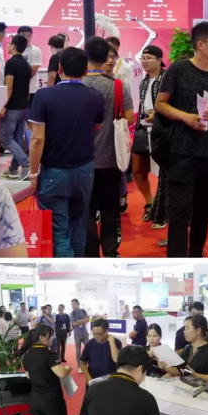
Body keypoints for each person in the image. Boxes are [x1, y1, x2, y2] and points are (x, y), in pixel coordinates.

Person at [156, 21, 208, 258]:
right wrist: (185, 116)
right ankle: (175, 259)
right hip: (181, 150)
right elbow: (160, 104)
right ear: (201, 44)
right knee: (180, 209)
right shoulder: (179, 69)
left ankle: (196, 254)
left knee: (203, 209)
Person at [28, 47, 105, 257]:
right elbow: (97, 126)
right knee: (78, 225)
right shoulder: (95, 97)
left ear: (60, 68)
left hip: (54, 171)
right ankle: (76, 265)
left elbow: (37, 138)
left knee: (58, 231)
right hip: (85, 169)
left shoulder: (44, 95)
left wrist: (33, 173)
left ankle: (65, 270)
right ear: (85, 70)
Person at [82, 37, 135, 258]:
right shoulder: (118, 86)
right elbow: (129, 118)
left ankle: (90, 253)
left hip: (82, 160)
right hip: (111, 157)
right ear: (106, 57)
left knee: (86, 210)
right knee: (110, 208)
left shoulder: (79, 85)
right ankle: (111, 251)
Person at [16, 325, 72, 415]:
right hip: (52, 398)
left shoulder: (27, 356)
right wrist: (68, 368)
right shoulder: (49, 355)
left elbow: (28, 376)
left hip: (35, 397)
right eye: (50, 335)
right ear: (42, 338)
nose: (52, 338)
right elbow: (61, 373)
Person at [135, 46, 166, 223]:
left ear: (159, 60)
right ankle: (150, 202)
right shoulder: (143, 82)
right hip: (142, 129)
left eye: (148, 58)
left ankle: (163, 208)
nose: (145, 61)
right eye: (143, 58)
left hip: (161, 131)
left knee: (163, 172)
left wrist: (158, 116)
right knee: (138, 170)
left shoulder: (167, 80)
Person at [0, 34, 33, 181]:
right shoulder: (26, 65)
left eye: (10, 43)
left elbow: (9, 86)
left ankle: (25, 163)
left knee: (6, 140)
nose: (8, 45)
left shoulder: (11, 63)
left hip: (12, 107)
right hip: (24, 106)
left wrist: (3, 104)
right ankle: (12, 169)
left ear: (14, 46)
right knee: (17, 138)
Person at [163, 315, 208, 381]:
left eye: (187, 328)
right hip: (185, 386)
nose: (184, 331)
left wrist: (196, 375)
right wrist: (164, 366)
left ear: (198, 330)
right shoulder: (187, 348)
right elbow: (178, 371)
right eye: (184, 328)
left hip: (203, 387)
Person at [80, 319, 122, 385]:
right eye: (94, 333)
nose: (96, 336)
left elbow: (116, 359)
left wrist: (111, 341)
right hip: (93, 380)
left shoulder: (116, 342)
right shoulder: (90, 344)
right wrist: (88, 378)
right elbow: (82, 362)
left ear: (106, 332)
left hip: (110, 381)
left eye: (99, 334)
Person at [17, 26, 43, 106]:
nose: (26, 38)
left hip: (30, 89)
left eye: (29, 35)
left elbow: (32, 72)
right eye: (23, 35)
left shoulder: (35, 50)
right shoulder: (15, 49)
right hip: (17, 89)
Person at [70, 299, 90, 373]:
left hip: (85, 333)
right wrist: (83, 320)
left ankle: (88, 364)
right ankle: (79, 367)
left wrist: (79, 321)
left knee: (88, 349)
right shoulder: (72, 313)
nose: (73, 305)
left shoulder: (83, 311)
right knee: (78, 351)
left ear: (78, 304)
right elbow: (74, 323)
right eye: (72, 304)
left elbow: (88, 319)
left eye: (74, 304)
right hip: (77, 335)